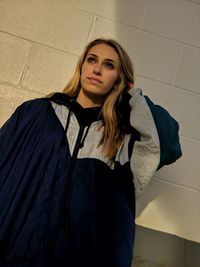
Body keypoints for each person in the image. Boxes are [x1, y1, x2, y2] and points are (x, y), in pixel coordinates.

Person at [0, 38, 182, 267]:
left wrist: (132, 96)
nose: (97, 69)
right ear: (82, 67)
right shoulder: (37, 113)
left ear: (120, 79)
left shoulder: (121, 139)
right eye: (92, 60)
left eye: (109, 65)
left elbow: (167, 143)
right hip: (18, 253)